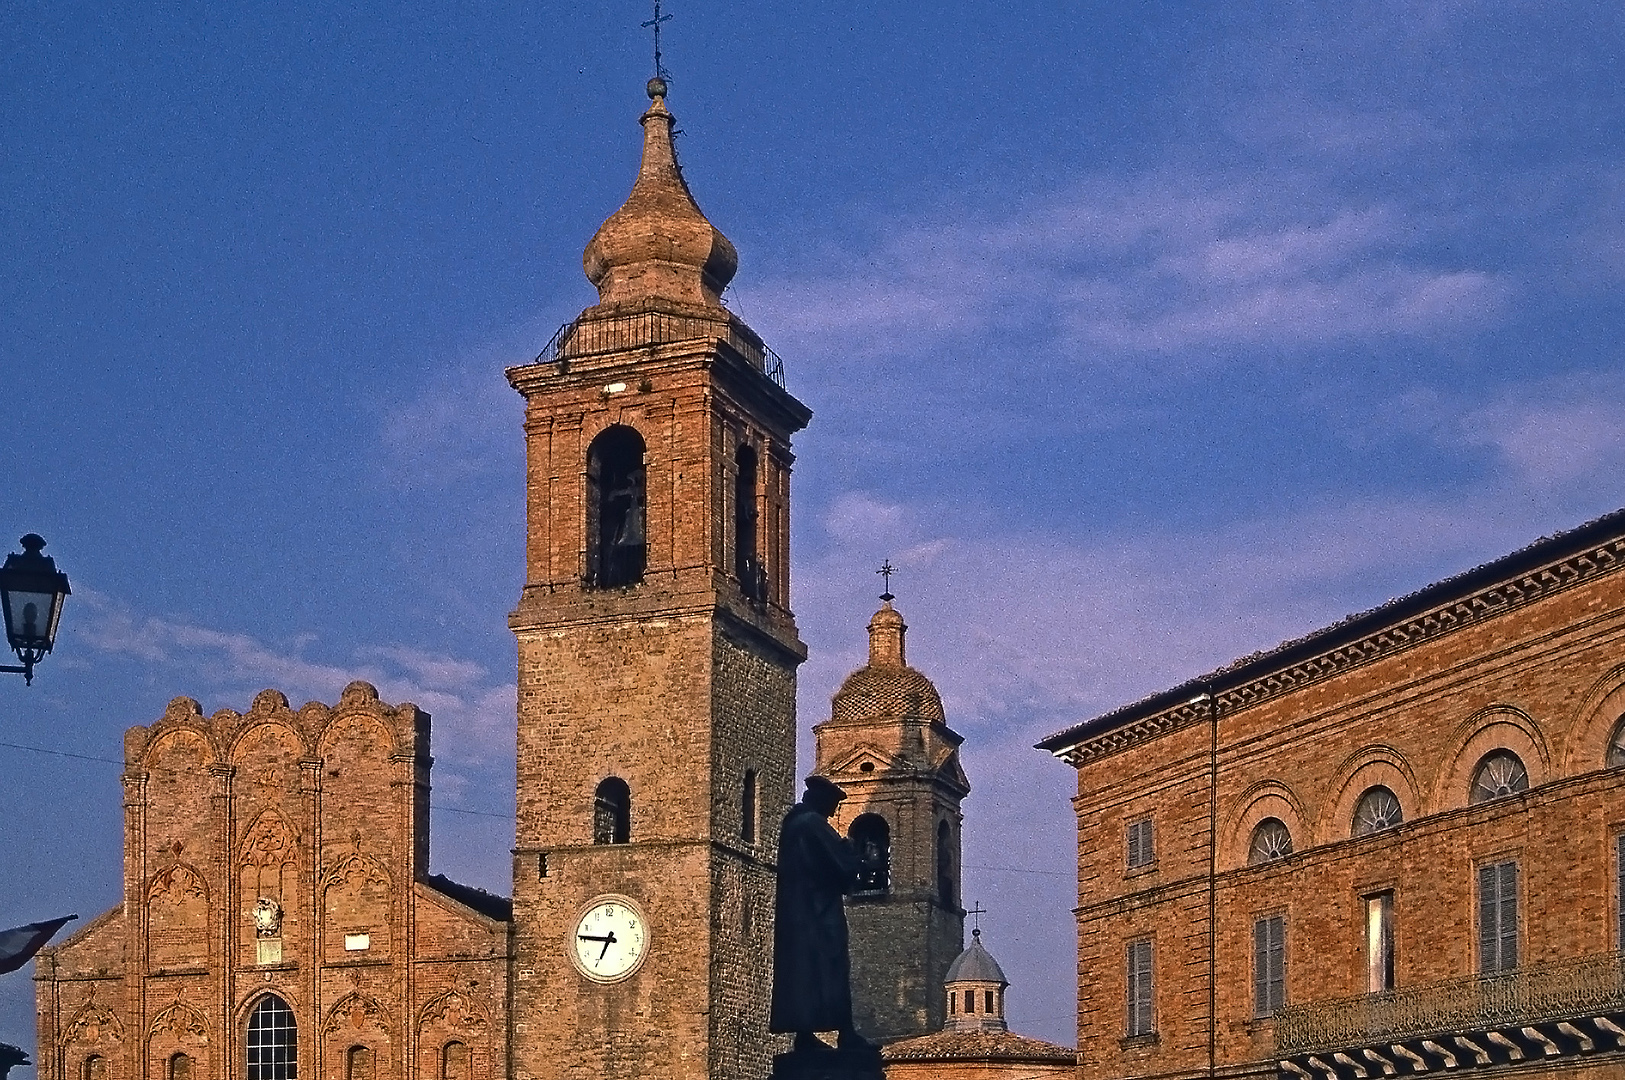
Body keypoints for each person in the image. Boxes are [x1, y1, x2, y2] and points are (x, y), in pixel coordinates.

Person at [770, 775, 874, 1053]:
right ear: (822, 800)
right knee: (832, 967)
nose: (834, 812)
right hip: (819, 915)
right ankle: (846, 1034)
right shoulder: (813, 825)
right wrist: (852, 853)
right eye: (833, 805)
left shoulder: (793, 824)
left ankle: (805, 1035)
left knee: (804, 973)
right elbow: (841, 868)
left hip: (799, 916)